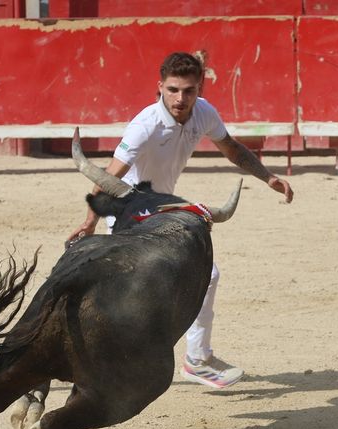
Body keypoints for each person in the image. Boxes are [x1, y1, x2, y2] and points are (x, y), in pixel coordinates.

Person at [68, 52, 293, 389]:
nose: (180, 98)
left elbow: (232, 149)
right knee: (184, 277)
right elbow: (108, 176)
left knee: (203, 274)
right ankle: (185, 358)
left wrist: (268, 177)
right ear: (159, 87)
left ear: (198, 89)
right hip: (129, 210)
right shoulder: (145, 125)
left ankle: (194, 359)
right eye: (172, 90)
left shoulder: (203, 113)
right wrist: (89, 221)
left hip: (161, 209)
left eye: (188, 91)